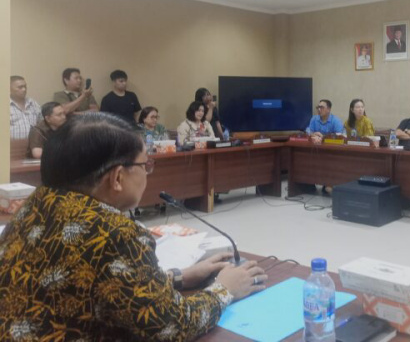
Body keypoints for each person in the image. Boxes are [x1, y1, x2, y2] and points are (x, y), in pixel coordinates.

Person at [0, 112, 266, 340]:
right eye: (145, 164)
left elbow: (100, 283)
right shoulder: (114, 233)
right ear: (117, 177)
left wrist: (180, 277)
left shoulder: (34, 204)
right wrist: (224, 289)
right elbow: (172, 326)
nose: (148, 172)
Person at [9, 75, 41, 139]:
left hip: (34, 143)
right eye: (20, 87)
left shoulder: (33, 103)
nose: (24, 89)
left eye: (25, 86)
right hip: (12, 144)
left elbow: (41, 124)